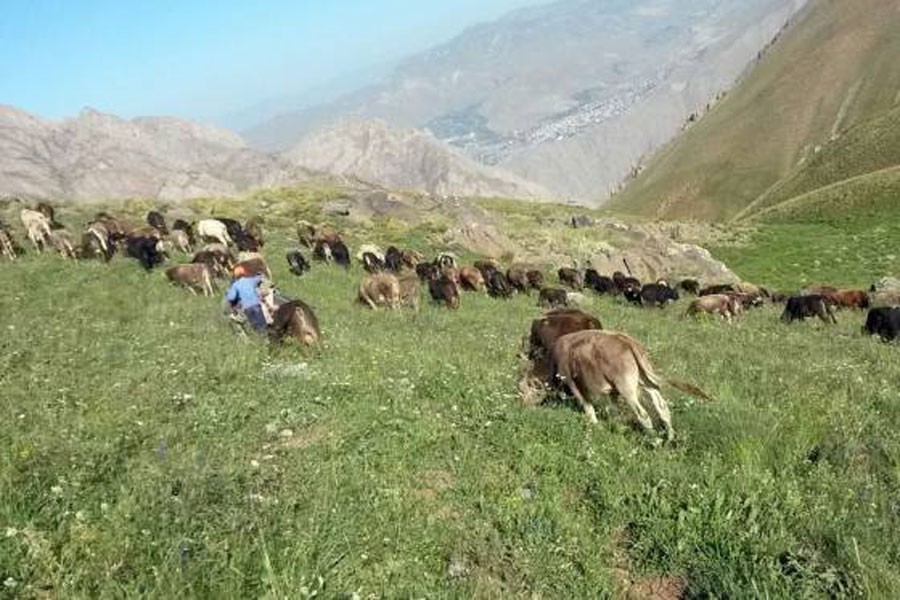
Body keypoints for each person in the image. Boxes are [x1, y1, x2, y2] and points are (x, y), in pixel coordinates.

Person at [226, 266, 267, 334]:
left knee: (254, 325)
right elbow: (259, 278)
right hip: (256, 305)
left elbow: (231, 298)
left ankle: (259, 337)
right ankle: (266, 336)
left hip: (247, 308)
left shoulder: (235, 285)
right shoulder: (250, 280)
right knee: (262, 323)